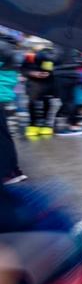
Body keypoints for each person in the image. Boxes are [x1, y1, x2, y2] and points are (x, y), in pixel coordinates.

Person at [0, 36, 23, 184]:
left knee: (2, 136)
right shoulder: (10, 47)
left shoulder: (1, 46)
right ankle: (12, 170)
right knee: (3, 134)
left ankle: (8, 172)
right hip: (3, 93)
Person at [49, 44, 82, 136]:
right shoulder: (74, 46)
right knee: (71, 100)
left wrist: (47, 54)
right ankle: (73, 124)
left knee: (64, 101)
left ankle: (67, 126)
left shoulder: (58, 45)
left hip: (61, 75)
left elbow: (55, 59)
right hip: (73, 75)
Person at [20, 46, 53, 138]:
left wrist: (48, 73)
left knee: (46, 103)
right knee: (33, 104)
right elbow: (23, 69)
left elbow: (52, 70)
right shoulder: (29, 58)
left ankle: (44, 124)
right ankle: (34, 125)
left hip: (46, 84)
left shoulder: (49, 58)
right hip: (33, 84)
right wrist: (33, 73)